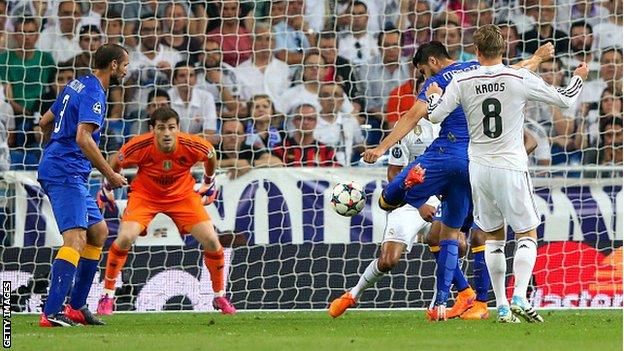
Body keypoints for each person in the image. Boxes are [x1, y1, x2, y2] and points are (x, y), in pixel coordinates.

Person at [361, 40, 553, 321]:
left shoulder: (437, 81)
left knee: (392, 199)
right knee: (464, 232)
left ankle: (466, 299)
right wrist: (538, 56)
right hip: (479, 163)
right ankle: (469, 302)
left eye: (423, 72)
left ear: (433, 62)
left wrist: (380, 148)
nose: (425, 78)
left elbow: (412, 116)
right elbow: (517, 69)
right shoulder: (477, 69)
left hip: (448, 155)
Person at [425, 24, 587, 323]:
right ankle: (520, 297)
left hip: (479, 168)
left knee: (494, 236)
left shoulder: (461, 79)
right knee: (526, 232)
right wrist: (578, 77)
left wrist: (434, 94)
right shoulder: (518, 77)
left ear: (476, 52)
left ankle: (501, 305)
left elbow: (434, 115)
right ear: (503, 50)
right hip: (511, 164)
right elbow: (565, 98)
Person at [96, 107, 236, 315]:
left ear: (178, 128)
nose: (167, 133)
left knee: (212, 240)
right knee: (124, 238)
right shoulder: (139, 146)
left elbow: (210, 154)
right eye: (161, 128)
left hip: (182, 196)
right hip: (146, 196)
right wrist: (107, 187)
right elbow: (117, 159)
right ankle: (107, 296)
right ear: (153, 129)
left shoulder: (192, 144)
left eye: (171, 127)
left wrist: (209, 181)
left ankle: (219, 296)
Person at [37, 43, 129, 327]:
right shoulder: (94, 93)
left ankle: (77, 307)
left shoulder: (77, 83)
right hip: (65, 171)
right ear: (113, 65)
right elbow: (83, 138)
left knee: (98, 232)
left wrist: (54, 149)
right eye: (125, 65)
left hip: (67, 169)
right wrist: (110, 175)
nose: (126, 71)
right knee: (75, 240)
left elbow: (44, 122)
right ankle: (51, 313)